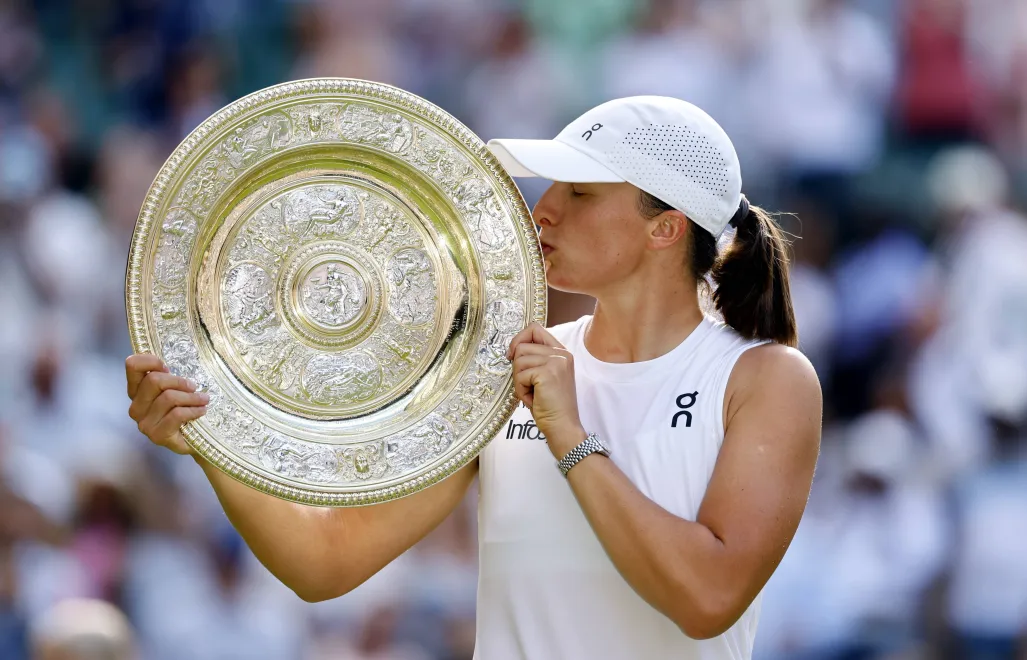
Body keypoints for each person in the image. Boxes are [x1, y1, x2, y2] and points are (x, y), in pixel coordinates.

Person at [125, 96, 822, 659]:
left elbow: (706, 599)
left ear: (664, 229)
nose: (543, 209)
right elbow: (324, 563)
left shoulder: (765, 380)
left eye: (580, 192)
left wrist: (569, 435)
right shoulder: (502, 368)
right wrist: (210, 436)